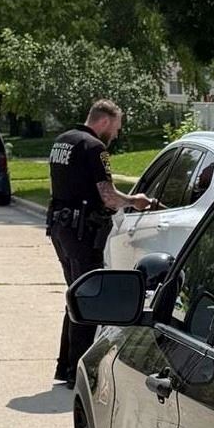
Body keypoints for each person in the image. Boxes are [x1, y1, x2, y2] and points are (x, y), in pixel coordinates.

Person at [47, 99, 156, 385]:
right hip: (82, 232)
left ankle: (65, 365)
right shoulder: (94, 148)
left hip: (61, 228)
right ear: (104, 121)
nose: (116, 135)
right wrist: (135, 201)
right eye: (116, 127)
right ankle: (78, 373)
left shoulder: (63, 141)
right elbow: (107, 196)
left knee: (76, 294)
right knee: (90, 299)